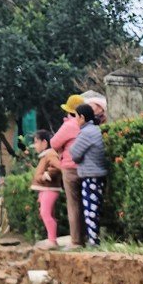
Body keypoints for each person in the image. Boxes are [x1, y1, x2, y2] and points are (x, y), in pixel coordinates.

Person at [67, 96, 109, 247]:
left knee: (90, 209)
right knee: (94, 207)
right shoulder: (95, 130)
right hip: (98, 174)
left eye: (76, 117)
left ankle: (93, 241)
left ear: (82, 117)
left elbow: (74, 153)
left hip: (91, 175)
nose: (76, 120)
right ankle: (94, 239)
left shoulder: (86, 132)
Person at [48, 95, 86, 248]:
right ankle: (88, 236)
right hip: (86, 167)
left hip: (70, 168)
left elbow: (53, 142)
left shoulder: (69, 125)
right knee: (85, 204)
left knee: (73, 204)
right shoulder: (87, 125)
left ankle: (76, 241)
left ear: (70, 112)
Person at [27, 128, 62, 249]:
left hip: (50, 189)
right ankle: (51, 239)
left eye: (36, 142)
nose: (35, 145)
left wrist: (47, 175)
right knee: (46, 214)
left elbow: (59, 167)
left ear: (44, 142)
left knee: (45, 213)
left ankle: (52, 240)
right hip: (45, 189)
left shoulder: (50, 154)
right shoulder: (46, 155)